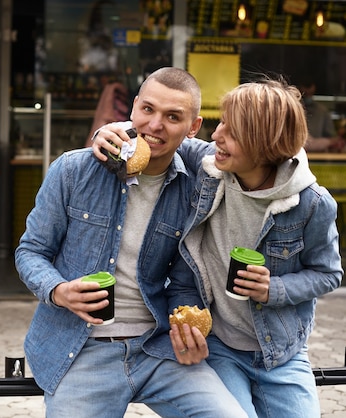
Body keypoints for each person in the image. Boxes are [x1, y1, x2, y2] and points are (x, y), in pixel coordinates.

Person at [93, 77, 343, 418]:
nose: (216, 135)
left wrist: (276, 288)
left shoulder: (311, 204)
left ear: (265, 144)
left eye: (232, 131)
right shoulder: (212, 167)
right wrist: (109, 132)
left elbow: (328, 274)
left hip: (282, 353)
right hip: (221, 347)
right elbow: (157, 134)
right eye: (221, 122)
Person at [15, 67, 247, 417]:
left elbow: (261, 154)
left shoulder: (197, 183)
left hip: (158, 347)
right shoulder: (73, 170)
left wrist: (188, 331)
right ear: (134, 107)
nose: (155, 126)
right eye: (148, 110)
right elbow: (30, 252)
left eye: (173, 117)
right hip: (81, 350)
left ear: (194, 127)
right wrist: (58, 291)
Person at [296, 78, 343, 152]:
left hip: (319, 156)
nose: (308, 95)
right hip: (298, 153)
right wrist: (330, 142)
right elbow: (307, 144)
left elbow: (331, 136)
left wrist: (332, 142)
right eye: (305, 94)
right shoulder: (294, 110)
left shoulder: (322, 111)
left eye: (309, 94)